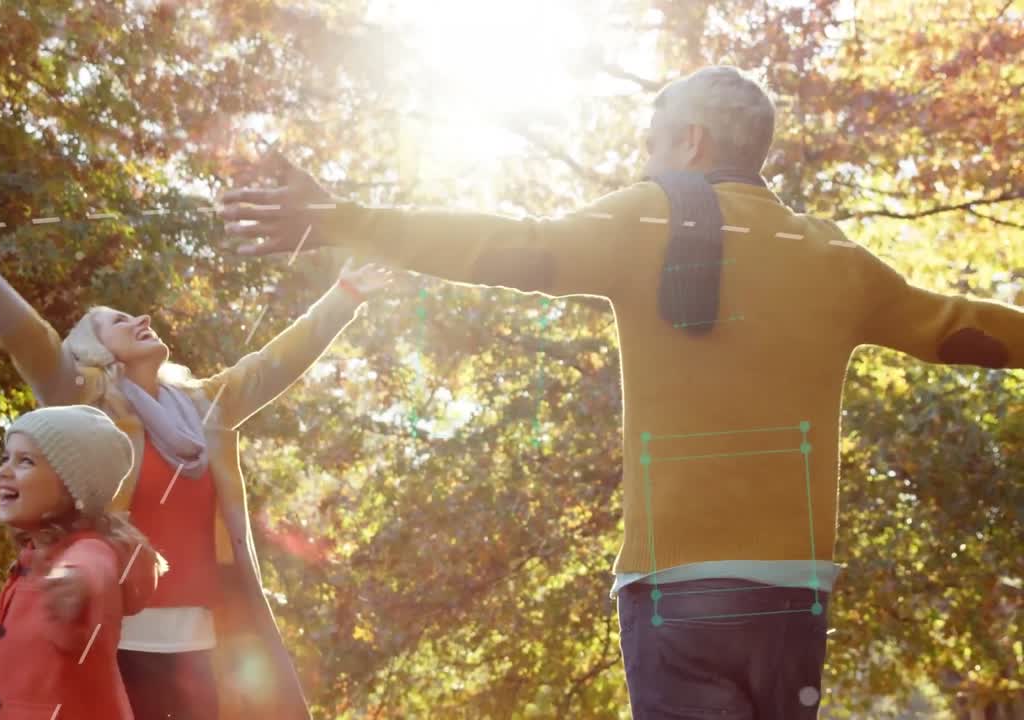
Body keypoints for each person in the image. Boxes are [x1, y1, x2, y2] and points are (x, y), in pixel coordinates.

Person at [216, 65, 1024, 718]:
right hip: (792, 594)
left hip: (676, 593)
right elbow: (957, 326)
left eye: (653, 139)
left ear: (692, 140)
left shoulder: (650, 218)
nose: (645, 157)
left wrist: (343, 218)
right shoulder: (833, 257)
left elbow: (507, 246)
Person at [0, 204, 392, 720]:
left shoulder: (207, 408)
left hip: (200, 645)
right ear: (94, 352)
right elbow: (24, 333)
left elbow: (272, 363)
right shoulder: (84, 408)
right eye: (116, 321)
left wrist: (344, 294)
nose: (141, 319)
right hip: (105, 642)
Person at [0, 404, 159, 719]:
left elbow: (94, 565)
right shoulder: (31, 558)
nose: (3, 472)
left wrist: (77, 580)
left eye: (25, 461)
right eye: (5, 459)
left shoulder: (89, 550)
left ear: (72, 487)